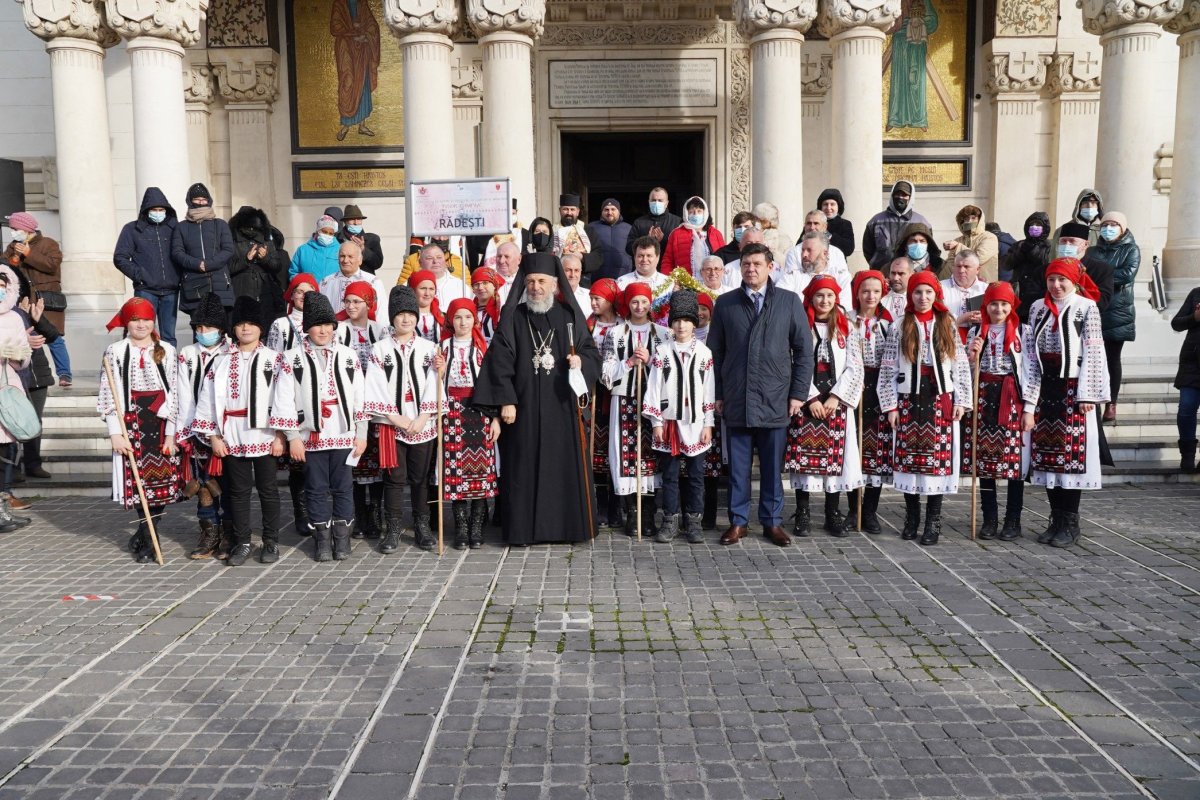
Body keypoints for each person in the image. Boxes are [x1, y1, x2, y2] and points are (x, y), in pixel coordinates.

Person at [472, 252, 602, 546]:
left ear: (555, 284)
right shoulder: (515, 317)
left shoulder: (569, 317)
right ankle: (524, 531)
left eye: (542, 281)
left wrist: (581, 362)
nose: (536, 288)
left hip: (562, 406)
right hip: (524, 407)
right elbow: (499, 360)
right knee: (523, 466)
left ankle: (567, 529)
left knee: (562, 467)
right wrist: (505, 400)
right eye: (530, 281)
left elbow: (591, 354)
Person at [708, 242, 813, 548]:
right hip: (737, 395)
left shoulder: (788, 301)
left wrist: (798, 394)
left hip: (775, 396)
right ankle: (738, 522)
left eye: (757, 264)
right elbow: (715, 352)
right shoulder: (726, 303)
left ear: (770, 267)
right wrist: (718, 393)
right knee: (738, 468)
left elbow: (803, 352)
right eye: (746, 264)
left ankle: (772, 521)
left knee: (771, 467)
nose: (751, 269)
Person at [270, 291, 368, 562]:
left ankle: (342, 537)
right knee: (315, 487)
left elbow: (359, 395)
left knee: (343, 486)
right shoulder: (292, 358)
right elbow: (284, 398)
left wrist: (361, 433)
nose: (323, 331)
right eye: (316, 325)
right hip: (311, 433)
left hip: (343, 431)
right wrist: (293, 437)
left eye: (327, 325)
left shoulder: (348, 356)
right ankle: (322, 539)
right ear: (307, 327)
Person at [879, 270, 972, 546]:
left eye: (928, 292)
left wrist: (961, 400)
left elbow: (960, 364)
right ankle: (911, 517)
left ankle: (933, 520)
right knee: (910, 460)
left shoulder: (947, 323)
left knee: (937, 462)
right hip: (909, 400)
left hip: (940, 398)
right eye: (918, 292)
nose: (923, 297)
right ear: (911, 295)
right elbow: (888, 367)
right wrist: (891, 405)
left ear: (936, 294)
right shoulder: (900, 324)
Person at [1024, 258, 1110, 548]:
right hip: (1045, 387)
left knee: (1070, 455)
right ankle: (1056, 519)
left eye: (1062, 280)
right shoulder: (1037, 308)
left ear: (1073, 281)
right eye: (1052, 279)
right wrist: (1029, 395)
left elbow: (1094, 350)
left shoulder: (1086, 307)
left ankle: (1070, 523)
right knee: (1048, 457)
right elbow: (1030, 352)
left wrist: (1088, 394)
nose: (1056, 285)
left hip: (1072, 389)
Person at [191, 297, 283, 565]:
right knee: (238, 492)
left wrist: (280, 435)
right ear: (233, 328)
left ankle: (271, 541)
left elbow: (284, 398)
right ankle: (242, 542)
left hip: (265, 433)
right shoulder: (221, 361)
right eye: (241, 323)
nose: (245, 328)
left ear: (260, 328)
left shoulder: (274, 359)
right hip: (232, 434)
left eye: (251, 323)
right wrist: (213, 436)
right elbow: (208, 399)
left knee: (268, 490)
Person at [98, 297, 182, 563]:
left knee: (160, 483)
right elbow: (108, 392)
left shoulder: (167, 350)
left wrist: (171, 433)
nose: (141, 325)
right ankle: (148, 538)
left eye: (146, 319)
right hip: (131, 419)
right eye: (135, 320)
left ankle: (146, 533)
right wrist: (115, 432)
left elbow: (175, 392)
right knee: (139, 483)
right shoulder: (115, 351)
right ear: (127, 323)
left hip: (160, 419)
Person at [785, 275, 864, 539]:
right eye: (820, 295)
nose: (825, 300)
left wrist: (836, 397)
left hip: (835, 403)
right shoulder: (799, 324)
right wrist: (810, 397)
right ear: (811, 297)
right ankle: (803, 512)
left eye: (830, 295)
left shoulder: (846, 326)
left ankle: (832, 512)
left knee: (835, 459)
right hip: (806, 401)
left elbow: (855, 366)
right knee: (804, 459)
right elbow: (792, 361)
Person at [364, 285, 441, 553]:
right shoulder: (379, 349)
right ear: (392, 317)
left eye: (410, 314)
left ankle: (422, 526)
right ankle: (393, 528)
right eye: (400, 314)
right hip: (392, 424)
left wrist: (423, 416)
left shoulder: (429, 348)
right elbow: (375, 385)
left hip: (422, 422)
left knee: (420, 478)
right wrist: (395, 418)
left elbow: (434, 383)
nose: (406, 319)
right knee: (394, 479)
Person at [642, 291, 715, 545]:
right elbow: (654, 387)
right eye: (677, 320)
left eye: (686, 320)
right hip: (669, 422)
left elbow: (708, 388)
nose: (681, 325)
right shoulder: (662, 352)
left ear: (694, 323)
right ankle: (670, 520)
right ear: (670, 323)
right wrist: (656, 422)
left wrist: (708, 423)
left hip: (695, 422)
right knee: (670, 475)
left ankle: (694, 520)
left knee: (695, 475)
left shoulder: (704, 353)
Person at [601, 283, 672, 537]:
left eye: (643, 302)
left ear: (650, 303)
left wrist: (651, 361)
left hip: (653, 402)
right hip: (625, 400)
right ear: (628, 304)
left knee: (651, 454)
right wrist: (630, 362)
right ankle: (632, 512)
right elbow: (606, 373)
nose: (639, 307)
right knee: (627, 455)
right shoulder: (615, 333)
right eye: (634, 302)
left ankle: (648, 512)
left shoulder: (663, 334)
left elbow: (670, 370)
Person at [964, 281, 1031, 541]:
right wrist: (972, 357)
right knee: (984, 462)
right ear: (986, 306)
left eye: (1004, 304)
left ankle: (1013, 520)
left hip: (1011, 399)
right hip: (983, 398)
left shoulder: (1023, 332)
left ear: (1011, 305)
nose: (999, 309)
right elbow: (966, 372)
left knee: (1014, 463)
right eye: (993, 304)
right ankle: (989, 518)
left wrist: (1029, 408)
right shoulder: (976, 332)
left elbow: (1032, 372)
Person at [437, 297, 499, 549]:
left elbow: (494, 385)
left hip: (480, 411)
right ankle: (461, 526)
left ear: (475, 319)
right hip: (452, 412)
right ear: (451, 320)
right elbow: (434, 383)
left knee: (480, 470)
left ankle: (477, 525)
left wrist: (495, 418)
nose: (463, 322)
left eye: (468, 317)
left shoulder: (484, 347)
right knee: (456, 471)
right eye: (458, 317)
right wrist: (439, 372)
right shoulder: (442, 348)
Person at [176, 293, 233, 560]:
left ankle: (230, 533)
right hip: (197, 431)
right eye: (199, 327)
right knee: (202, 485)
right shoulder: (188, 354)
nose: (203, 331)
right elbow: (183, 393)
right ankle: (209, 532)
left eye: (208, 327)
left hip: (227, 430)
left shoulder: (231, 351)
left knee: (230, 484)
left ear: (220, 329)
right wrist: (186, 430)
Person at [335, 281, 389, 540]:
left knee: (376, 462)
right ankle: (358, 513)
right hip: (351, 403)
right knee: (354, 460)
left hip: (376, 402)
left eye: (357, 301)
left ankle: (375, 512)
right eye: (348, 301)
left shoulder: (381, 331)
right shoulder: (339, 330)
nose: (351, 306)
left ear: (369, 303)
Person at [269, 273, 317, 535]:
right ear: (292, 295)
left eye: (309, 291)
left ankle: (318, 509)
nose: (304, 296)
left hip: (316, 396)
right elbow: (274, 359)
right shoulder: (281, 324)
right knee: (298, 460)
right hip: (291, 391)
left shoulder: (322, 321)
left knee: (317, 460)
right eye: (299, 291)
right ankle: (302, 511)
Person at [847, 270, 892, 534]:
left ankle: (870, 510)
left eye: (876, 291)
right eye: (865, 291)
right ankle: (854, 508)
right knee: (853, 449)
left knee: (876, 450)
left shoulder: (889, 323)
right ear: (857, 293)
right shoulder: (846, 320)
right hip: (853, 387)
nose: (870, 296)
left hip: (879, 388)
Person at [5, 211, 71, 387]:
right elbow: (5, 270)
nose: (13, 232)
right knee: (28, 336)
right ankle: (29, 374)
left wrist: (29, 253)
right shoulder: (13, 246)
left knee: (54, 337)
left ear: (27, 229)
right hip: (25, 301)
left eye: (16, 229)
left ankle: (64, 373)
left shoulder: (48, 243)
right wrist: (15, 257)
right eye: (12, 229)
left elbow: (52, 265)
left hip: (46, 300)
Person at [113, 187, 181, 347]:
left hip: (171, 290)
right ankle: (145, 362)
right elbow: (120, 257)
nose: (158, 212)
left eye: (161, 209)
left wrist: (179, 277)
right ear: (146, 210)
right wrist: (140, 275)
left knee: (169, 335)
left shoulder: (175, 228)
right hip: (146, 290)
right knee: (143, 333)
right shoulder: (132, 229)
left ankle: (170, 362)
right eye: (154, 209)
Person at [1093, 211, 1141, 422]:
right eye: (1105, 225)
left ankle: (1111, 403)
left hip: (1118, 311)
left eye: (1114, 225)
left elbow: (1127, 274)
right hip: (1095, 308)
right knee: (1094, 358)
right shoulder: (1092, 250)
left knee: (1112, 357)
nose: (1108, 228)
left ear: (1122, 228)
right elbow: (1084, 273)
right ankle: (1093, 399)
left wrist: (1099, 276)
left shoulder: (1131, 249)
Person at [173, 183, 235, 330]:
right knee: (200, 330)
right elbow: (177, 252)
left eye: (203, 199)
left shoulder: (220, 224)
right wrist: (197, 264)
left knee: (220, 329)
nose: (200, 202)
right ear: (190, 201)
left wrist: (208, 264)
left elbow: (228, 249)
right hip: (194, 285)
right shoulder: (181, 227)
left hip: (220, 284)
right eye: (197, 199)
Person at [588, 278, 623, 528]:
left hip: (618, 391)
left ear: (610, 299)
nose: (593, 303)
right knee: (598, 449)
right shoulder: (589, 325)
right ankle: (600, 504)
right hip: (595, 392)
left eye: (597, 298)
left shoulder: (623, 324)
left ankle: (617, 505)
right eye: (591, 298)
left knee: (617, 447)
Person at [0, 266, 33, 522]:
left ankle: (3, 502)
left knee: (9, 446)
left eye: (2, 287)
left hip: (7, 389)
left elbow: (24, 356)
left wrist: (18, 355)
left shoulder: (13, 318)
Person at [16, 284, 56, 481]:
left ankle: (33, 464)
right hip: (14, 376)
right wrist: (22, 338)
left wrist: (38, 319)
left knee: (34, 421)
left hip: (37, 375)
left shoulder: (30, 311)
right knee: (13, 421)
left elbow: (53, 336)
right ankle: (12, 466)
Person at [331, 0, 380, 141]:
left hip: (362, 49)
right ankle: (346, 126)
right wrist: (352, 29)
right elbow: (335, 26)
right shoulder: (339, 4)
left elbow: (372, 25)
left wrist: (365, 34)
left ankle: (362, 125)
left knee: (363, 82)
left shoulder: (361, 3)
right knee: (348, 82)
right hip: (346, 48)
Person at [229, 206, 289, 320]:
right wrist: (246, 260)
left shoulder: (265, 240)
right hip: (240, 290)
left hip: (264, 291)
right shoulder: (233, 240)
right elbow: (228, 267)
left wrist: (265, 258)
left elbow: (277, 266)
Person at [863, 180, 931, 271]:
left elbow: (929, 248)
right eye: (897, 194)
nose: (900, 197)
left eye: (904, 195)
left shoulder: (921, 221)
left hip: (911, 273)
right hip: (881, 272)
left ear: (910, 197)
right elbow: (868, 249)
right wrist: (876, 264)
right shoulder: (876, 221)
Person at [777, 230, 851, 308]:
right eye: (803, 250)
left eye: (809, 250)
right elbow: (779, 302)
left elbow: (844, 308)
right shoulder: (792, 276)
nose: (804, 255)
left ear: (825, 253)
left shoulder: (840, 276)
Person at [1170, 284, 1200, 473]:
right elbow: (1176, 323)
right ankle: (1187, 455)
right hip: (1192, 363)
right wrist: (1194, 317)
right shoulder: (1196, 293)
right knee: (1186, 408)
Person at [1056, 221, 1114, 312]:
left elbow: (1102, 303)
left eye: (1072, 241)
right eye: (1063, 241)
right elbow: (1034, 297)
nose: (1067, 245)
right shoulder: (1045, 269)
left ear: (1085, 244)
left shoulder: (1102, 269)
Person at [662, 197, 726, 277]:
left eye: (699, 211)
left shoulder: (716, 234)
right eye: (691, 212)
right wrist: (668, 280)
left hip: (712, 280)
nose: (695, 214)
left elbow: (724, 259)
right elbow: (668, 261)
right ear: (686, 214)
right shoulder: (676, 234)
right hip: (684, 282)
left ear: (705, 213)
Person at [1009, 212, 1053, 322]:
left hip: (1038, 289)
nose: (1034, 227)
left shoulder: (1049, 246)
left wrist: (1033, 250)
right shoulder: (1019, 244)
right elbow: (1006, 264)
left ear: (1045, 228)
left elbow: (1045, 263)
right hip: (1019, 290)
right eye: (1031, 224)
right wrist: (1020, 252)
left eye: (1038, 224)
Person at [616, 237, 672, 321]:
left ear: (657, 257)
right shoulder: (621, 282)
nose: (644, 260)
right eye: (640, 256)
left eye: (649, 256)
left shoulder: (670, 283)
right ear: (634, 257)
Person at [783, 210, 851, 279]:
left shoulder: (837, 253)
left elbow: (844, 280)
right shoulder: (794, 252)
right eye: (809, 223)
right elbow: (790, 280)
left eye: (816, 223)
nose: (812, 227)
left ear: (825, 227)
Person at [404, 242, 471, 310]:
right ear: (420, 262)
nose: (435, 261)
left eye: (439, 257)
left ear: (445, 261)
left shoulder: (460, 286)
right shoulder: (408, 286)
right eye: (429, 258)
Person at [320, 240, 386, 309]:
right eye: (342, 256)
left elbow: (382, 312)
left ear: (360, 260)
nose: (345, 260)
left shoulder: (373, 282)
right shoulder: (325, 282)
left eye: (350, 256)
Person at [942, 205, 1000, 282]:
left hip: (983, 284)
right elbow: (951, 265)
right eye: (966, 218)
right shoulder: (958, 240)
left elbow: (978, 259)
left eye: (973, 218)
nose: (969, 221)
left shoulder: (989, 237)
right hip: (960, 285)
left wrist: (957, 246)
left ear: (979, 219)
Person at [941, 249, 988, 343]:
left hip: (979, 341)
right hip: (947, 339)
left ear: (978, 269)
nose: (961, 270)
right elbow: (936, 319)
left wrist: (985, 318)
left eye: (966, 267)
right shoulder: (940, 287)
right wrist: (962, 319)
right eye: (958, 266)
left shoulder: (986, 289)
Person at [627, 187, 682, 264]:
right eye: (653, 200)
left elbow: (682, 249)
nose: (656, 203)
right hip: (644, 267)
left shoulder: (677, 222)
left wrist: (664, 240)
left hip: (668, 268)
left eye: (660, 200)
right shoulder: (639, 222)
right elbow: (629, 248)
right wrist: (647, 241)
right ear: (649, 202)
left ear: (667, 203)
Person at [586, 198, 633, 281]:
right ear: (602, 212)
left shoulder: (629, 228)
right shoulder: (591, 228)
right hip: (597, 278)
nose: (609, 212)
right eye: (606, 210)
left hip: (624, 277)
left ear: (619, 211)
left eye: (613, 209)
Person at [289, 215, 342, 282]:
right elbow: (293, 273)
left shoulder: (340, 250)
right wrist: (303, 281)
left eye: (331, 233)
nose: (327, 235)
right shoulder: (303, 250)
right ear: (318, 231)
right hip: (308, 288)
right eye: (324, 232)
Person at [399, 236, 468, 285]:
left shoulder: (459, 263)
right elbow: (401, 290)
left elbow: (468, 292)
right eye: (437, 235)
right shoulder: (413, 260)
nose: (441, 238)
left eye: (445, 235)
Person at [339, 204, 384, 273]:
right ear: (345, 221)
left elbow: (377, 264)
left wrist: (363, 250)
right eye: (352, 219)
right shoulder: (337, 239)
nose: (356, 223)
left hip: (365, 278)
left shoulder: (372, 239)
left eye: (359, 219)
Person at [408, 269, 444, 343]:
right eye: (423, 288)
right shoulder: (405, 317)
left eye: (431, 289)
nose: (427, 293)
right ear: (413, 290)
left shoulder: (442, 317)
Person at [817, 188, 855, 258]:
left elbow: (849, 249)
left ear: (838, 207)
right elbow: (799, 246)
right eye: (825, 204)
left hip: (837, 263)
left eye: (832, 204)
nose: (828, 208)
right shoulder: (813, 223)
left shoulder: (845, 224)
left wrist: (828, 235)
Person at [751, 202, 792, 266]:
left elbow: (787, 261)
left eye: (758, 219)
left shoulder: (782, 237)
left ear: (768, 221)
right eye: (754, 218)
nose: (755, 222)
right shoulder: (752, 233)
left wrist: (773, 252)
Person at [553, 193, 592, 258]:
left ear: (578, 211)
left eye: (572, 209)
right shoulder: (552, 229)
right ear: (560, 210)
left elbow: (597, 254)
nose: (569, 213)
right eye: (565, 209)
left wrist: (582, 257)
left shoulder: (588, 230)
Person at [471, 266, 504, 343]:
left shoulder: (502, 309)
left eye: (485, 283)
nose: (480, 287)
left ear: (494, 285)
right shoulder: (468, 310)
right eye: (476, 284)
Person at [882, 256, 911, 321]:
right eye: (893, 273)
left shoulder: (919, 300)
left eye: (901, 274)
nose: (895, 278)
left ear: (911, 274)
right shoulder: (879, 297)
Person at [494, 241, 521, 305]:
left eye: (506, 256)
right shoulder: (488, 281)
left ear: (519, 259)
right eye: (499, 256)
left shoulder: (526, 280)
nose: (501, 261)